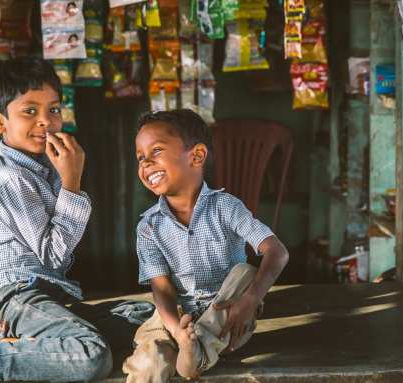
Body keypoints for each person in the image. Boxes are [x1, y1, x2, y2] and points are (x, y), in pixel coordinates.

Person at [0, 57, 153, 383]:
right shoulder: (9, 178)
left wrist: (66, 180)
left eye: (53, 110)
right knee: (92, 355)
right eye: (29, 111)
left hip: (48, 298)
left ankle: (32, 345)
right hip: (12, 301)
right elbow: (53, 254)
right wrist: (72, 184)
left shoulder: (42, 166)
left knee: (147, 314)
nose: (45, 122)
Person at [122, 109, 290, 382]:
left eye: (156, 151)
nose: (146, 163)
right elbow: (162, 289)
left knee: (245, 274)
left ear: (197, 156)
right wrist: (177, 330)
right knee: (150, 355)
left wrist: (252, 299)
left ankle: (194, 352)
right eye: (140, 157)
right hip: (178, 314)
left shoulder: (226, 207)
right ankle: (181, 352)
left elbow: (277, 252)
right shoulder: (149, 226)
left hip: (228, 312)